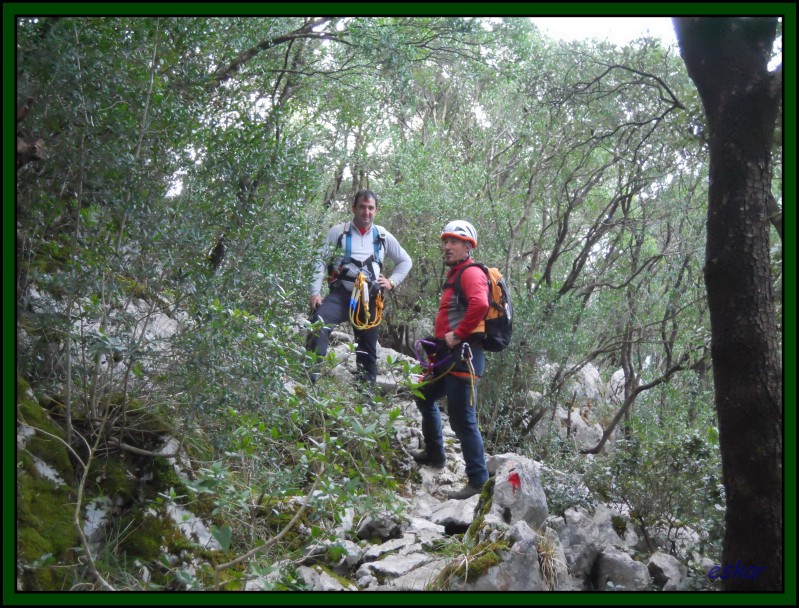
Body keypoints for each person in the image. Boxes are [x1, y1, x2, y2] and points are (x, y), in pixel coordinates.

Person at [412, 220, 490, 500]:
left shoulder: (470, 273)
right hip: (449, 357)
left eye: (454, 242)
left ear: (468, 247)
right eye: (446, 241)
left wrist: (457, 335)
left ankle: (479, 481)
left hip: (463, 357)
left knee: (463, 420)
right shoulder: (457, 273)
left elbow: (481, 305)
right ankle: (435, 454)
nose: (447, 246)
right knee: (423, 394)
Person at [306, 190, 412, 392]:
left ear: (376, 211)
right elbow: (319, 261)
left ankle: (366, 397)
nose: (366, 212)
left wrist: (391, 281)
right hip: (341, 295)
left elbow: (405, 261)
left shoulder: (382, 236)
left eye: (371, 208)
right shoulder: (338, 232)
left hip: (369, 299)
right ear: (353, 208)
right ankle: (309, 382)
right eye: (362, 207)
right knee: (318, 325)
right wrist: (315, 292)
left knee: (368, 349)